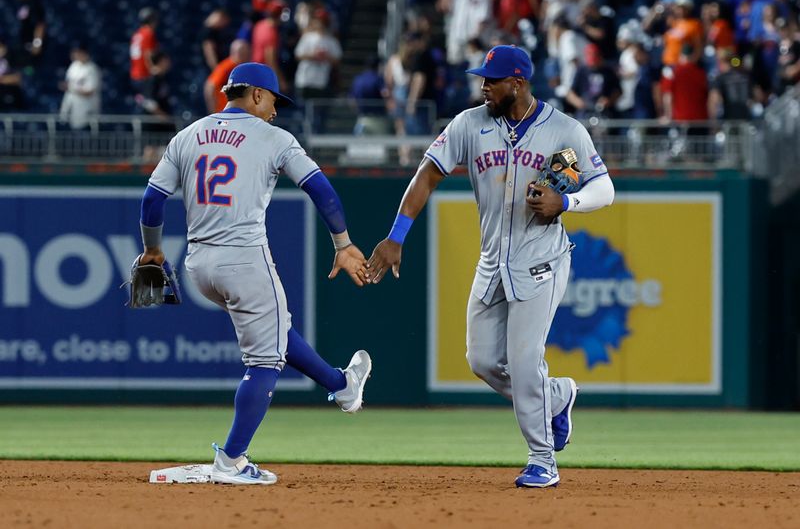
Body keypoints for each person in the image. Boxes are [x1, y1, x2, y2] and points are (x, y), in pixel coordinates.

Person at [365, 45, 614, 488]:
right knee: (481, 360)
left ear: (517, 83)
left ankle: (543, 459)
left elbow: (604, 188)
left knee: (523, 361)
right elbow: (427, 174)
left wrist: (567, 201)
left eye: (491, 80)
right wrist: (396, 235)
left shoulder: (563, 130)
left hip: (542, 259)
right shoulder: (469, 124)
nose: (483, 86)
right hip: (492, 261)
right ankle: (556, 396)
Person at [135, 63, 372, 485]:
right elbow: (320, 188)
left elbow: (153, 199)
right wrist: (342, 242)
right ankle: (232, 460)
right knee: (264, 358)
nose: (276, 112)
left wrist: (153, 248)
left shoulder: (187, 135)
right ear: (257, 95)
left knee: (275, 329)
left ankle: (342, 385)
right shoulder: (274, 138)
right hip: (243, 258)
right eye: (274, 102)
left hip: (199, 265)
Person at [59, 43, 101, 129]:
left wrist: (71, 88)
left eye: (78, 52)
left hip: (86, 110)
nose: (76, 55)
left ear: (85, 53)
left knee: (83, 137)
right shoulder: (73, 66)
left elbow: (90, 91)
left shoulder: (92, 69)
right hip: (71, 107)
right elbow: (68, 84)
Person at [204, 39, 251, 114]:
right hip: (224, 113)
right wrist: (213, 112)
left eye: (247, 53)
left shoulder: (242, 68)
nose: (246, 56)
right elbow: (210, 87)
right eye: (243, 53)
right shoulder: (227, 67)